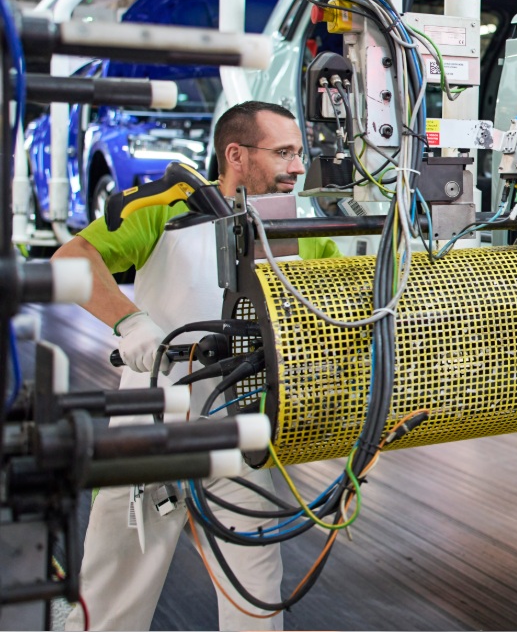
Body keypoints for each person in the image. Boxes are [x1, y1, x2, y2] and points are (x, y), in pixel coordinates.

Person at [54, 101, 340, 631]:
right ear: (236, 154)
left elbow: (341, 313)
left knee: (256, 597)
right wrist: (132, 323)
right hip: (151, 424)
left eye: (298, 152)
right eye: (283, 152)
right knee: (114, 595)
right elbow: (71, 261)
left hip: (240, 430)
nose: (299, 166)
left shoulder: (298, 225)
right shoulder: (166, 207)